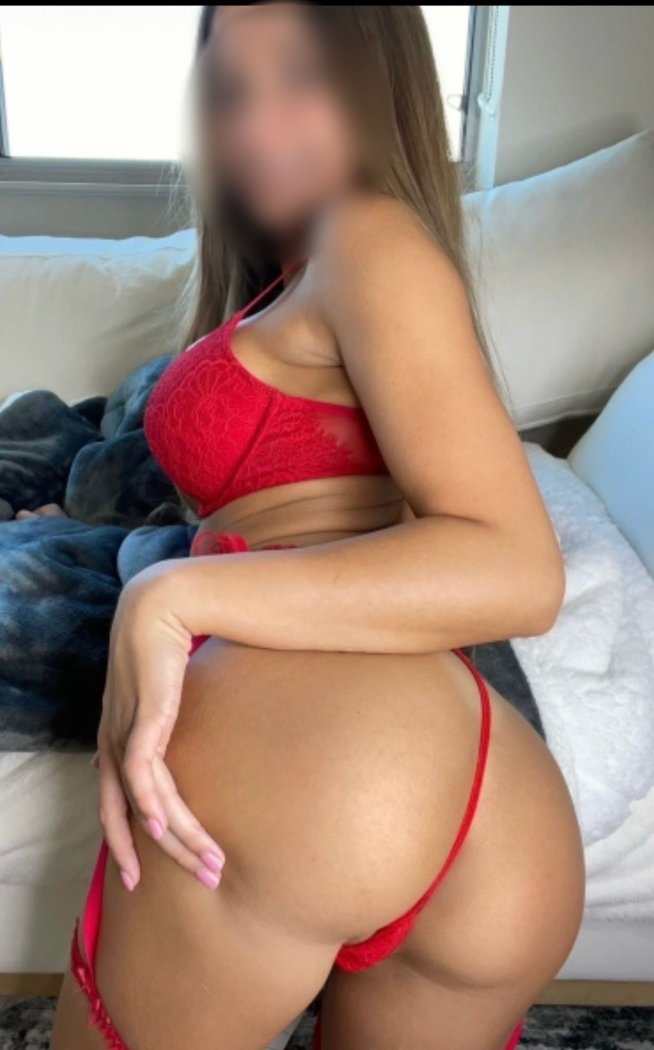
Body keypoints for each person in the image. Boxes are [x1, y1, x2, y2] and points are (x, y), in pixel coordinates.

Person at [51, 6, 584, 1049]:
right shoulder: (313, 271)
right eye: (229, 89)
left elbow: (518, 568)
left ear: (377, 78)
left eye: (298, 75)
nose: (255, 125)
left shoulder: (365, 236)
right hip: (486, 799)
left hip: (322, 750)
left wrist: (169, 594)